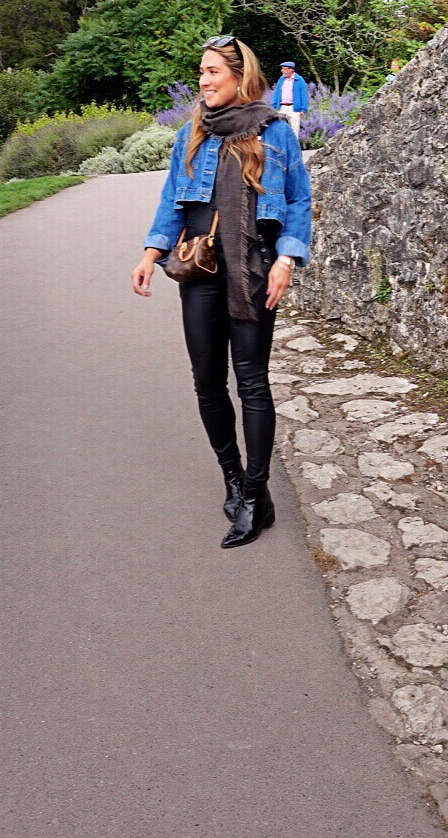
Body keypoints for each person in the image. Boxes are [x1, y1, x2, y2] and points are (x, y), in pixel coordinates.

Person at [132, 36, 312, 548]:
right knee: (208, 382)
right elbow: (172, 199)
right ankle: (234, 480)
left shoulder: (274, 133)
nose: (204, 81)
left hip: (255, 270)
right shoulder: (192, 134)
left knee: (252, 383)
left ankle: (255, 494)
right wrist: (150, 254)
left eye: (213, 72)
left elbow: (299, 200)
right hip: (201, 270)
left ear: (239, 76)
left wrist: (286, 259)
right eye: (201, 73)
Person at [270, 61, 309, 141]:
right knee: (280, 128)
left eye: (284, 69)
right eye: (282, 69)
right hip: (282, 107)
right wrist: (273, 106)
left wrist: (303, 109)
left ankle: (294, 149)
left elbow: (303, 95)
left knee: (294, 129)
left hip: (294, 108)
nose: (282, 70)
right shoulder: (281, 79)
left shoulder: (299, 80)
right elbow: (277, 93)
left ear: (291, 70)